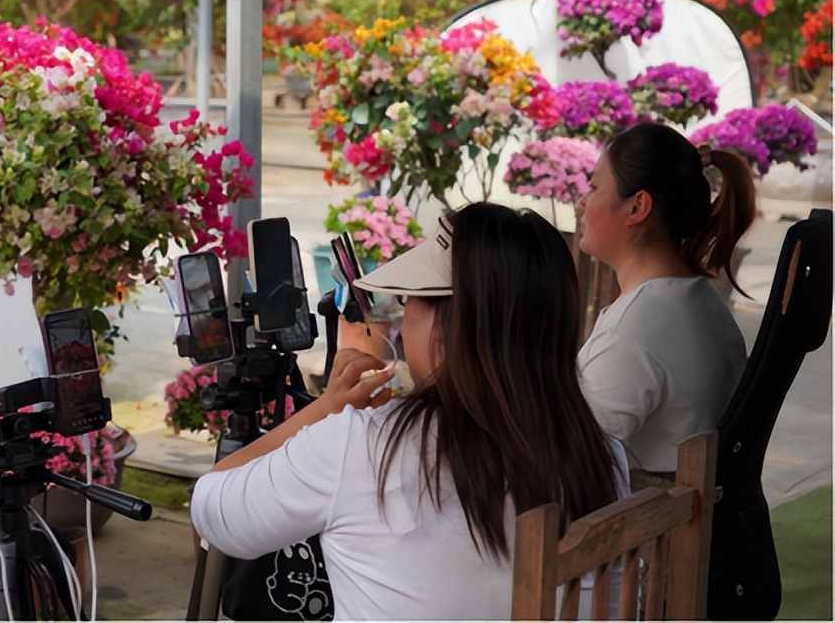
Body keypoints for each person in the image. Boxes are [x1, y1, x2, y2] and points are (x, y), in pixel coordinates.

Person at [190, 203, 626, 619]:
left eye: (409, 302)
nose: (403, 322)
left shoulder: (363, 444)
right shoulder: (604, 454)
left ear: (446, 326)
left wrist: (325, 410)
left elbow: (214, 512)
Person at [576, 122, 756, 486]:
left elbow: (571, 459)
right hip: (699, 528)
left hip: (653, 534)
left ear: (637, 206)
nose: (581, 202)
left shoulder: (636, 329)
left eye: (594, 187)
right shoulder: (700, 298)